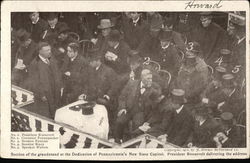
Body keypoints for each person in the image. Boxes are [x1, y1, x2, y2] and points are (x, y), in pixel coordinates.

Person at [114, 68, 161, 143]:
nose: (150, 80)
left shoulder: (155, 88)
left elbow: (156, 103)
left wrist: (151, 90)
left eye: (151, 78)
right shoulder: (132, 83)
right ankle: (117, 140)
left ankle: (133, 143)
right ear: (142, 78)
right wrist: (122, 108)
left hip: (141, 112)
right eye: (148, 78)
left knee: (137, 126)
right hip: (128, 109)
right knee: (120, 121)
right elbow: (122, 97)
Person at [24, 42, 62, 119]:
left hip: (54, 91)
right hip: (44, 95)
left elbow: (57, 73)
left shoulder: (52, 59)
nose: (49, 52)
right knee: (46, 115)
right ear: (40, 51)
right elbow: (34, 82)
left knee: (55, 112)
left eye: (50, 49)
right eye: (47, 50)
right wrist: (41, 95)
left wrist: (60, 87)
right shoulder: (34, 64)